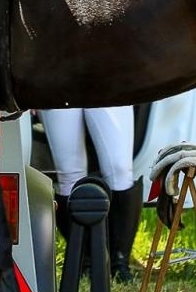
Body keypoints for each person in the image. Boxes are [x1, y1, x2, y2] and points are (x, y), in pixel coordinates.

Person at [38, 106, 142, 282]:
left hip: (106, 83)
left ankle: (119, 262)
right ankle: (84, 259)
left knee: (120, 170)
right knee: (69, 174)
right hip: (56, 84)